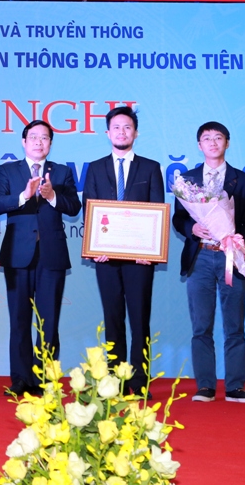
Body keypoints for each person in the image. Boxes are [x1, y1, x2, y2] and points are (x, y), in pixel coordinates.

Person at [0, 120, 82, 396]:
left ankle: (44, 378)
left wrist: (52, 196)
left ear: (50, 143)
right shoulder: (8, 170)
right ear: (23, 141)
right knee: (19, 320)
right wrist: (23, 196)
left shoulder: (63, 172)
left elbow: (74, 207)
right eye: (33, 137)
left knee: (49, 321)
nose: (39, 142)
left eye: (44, 138)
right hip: (17, 254)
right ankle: (20, 378)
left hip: (51, 255)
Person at [172, 122, 245, 403]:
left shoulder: (242, 179)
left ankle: (235, 386)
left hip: (231, 257)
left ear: (227, 143)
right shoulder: (187, 180)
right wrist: (192, 229)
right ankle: (205, 386)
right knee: (201, 326)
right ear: (199, 145)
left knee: (235, 325)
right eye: (207, 138)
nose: (212, 142)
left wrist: (237, 241)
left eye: (218, 137)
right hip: (199, 257)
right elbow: (179, 218)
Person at [82, 106, 164, 396]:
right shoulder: (95, 168)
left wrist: (151, 250)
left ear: (136, 133)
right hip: (106, 258)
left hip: (140, 259)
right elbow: (89, 209)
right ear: (107, 133)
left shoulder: (150, 168)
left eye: (127, 127)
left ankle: (140, 381)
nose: (122, 132)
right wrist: (94, 247)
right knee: (113, 318)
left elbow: (157, 211)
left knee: (140, 320)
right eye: (116, 127)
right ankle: (115, 381)